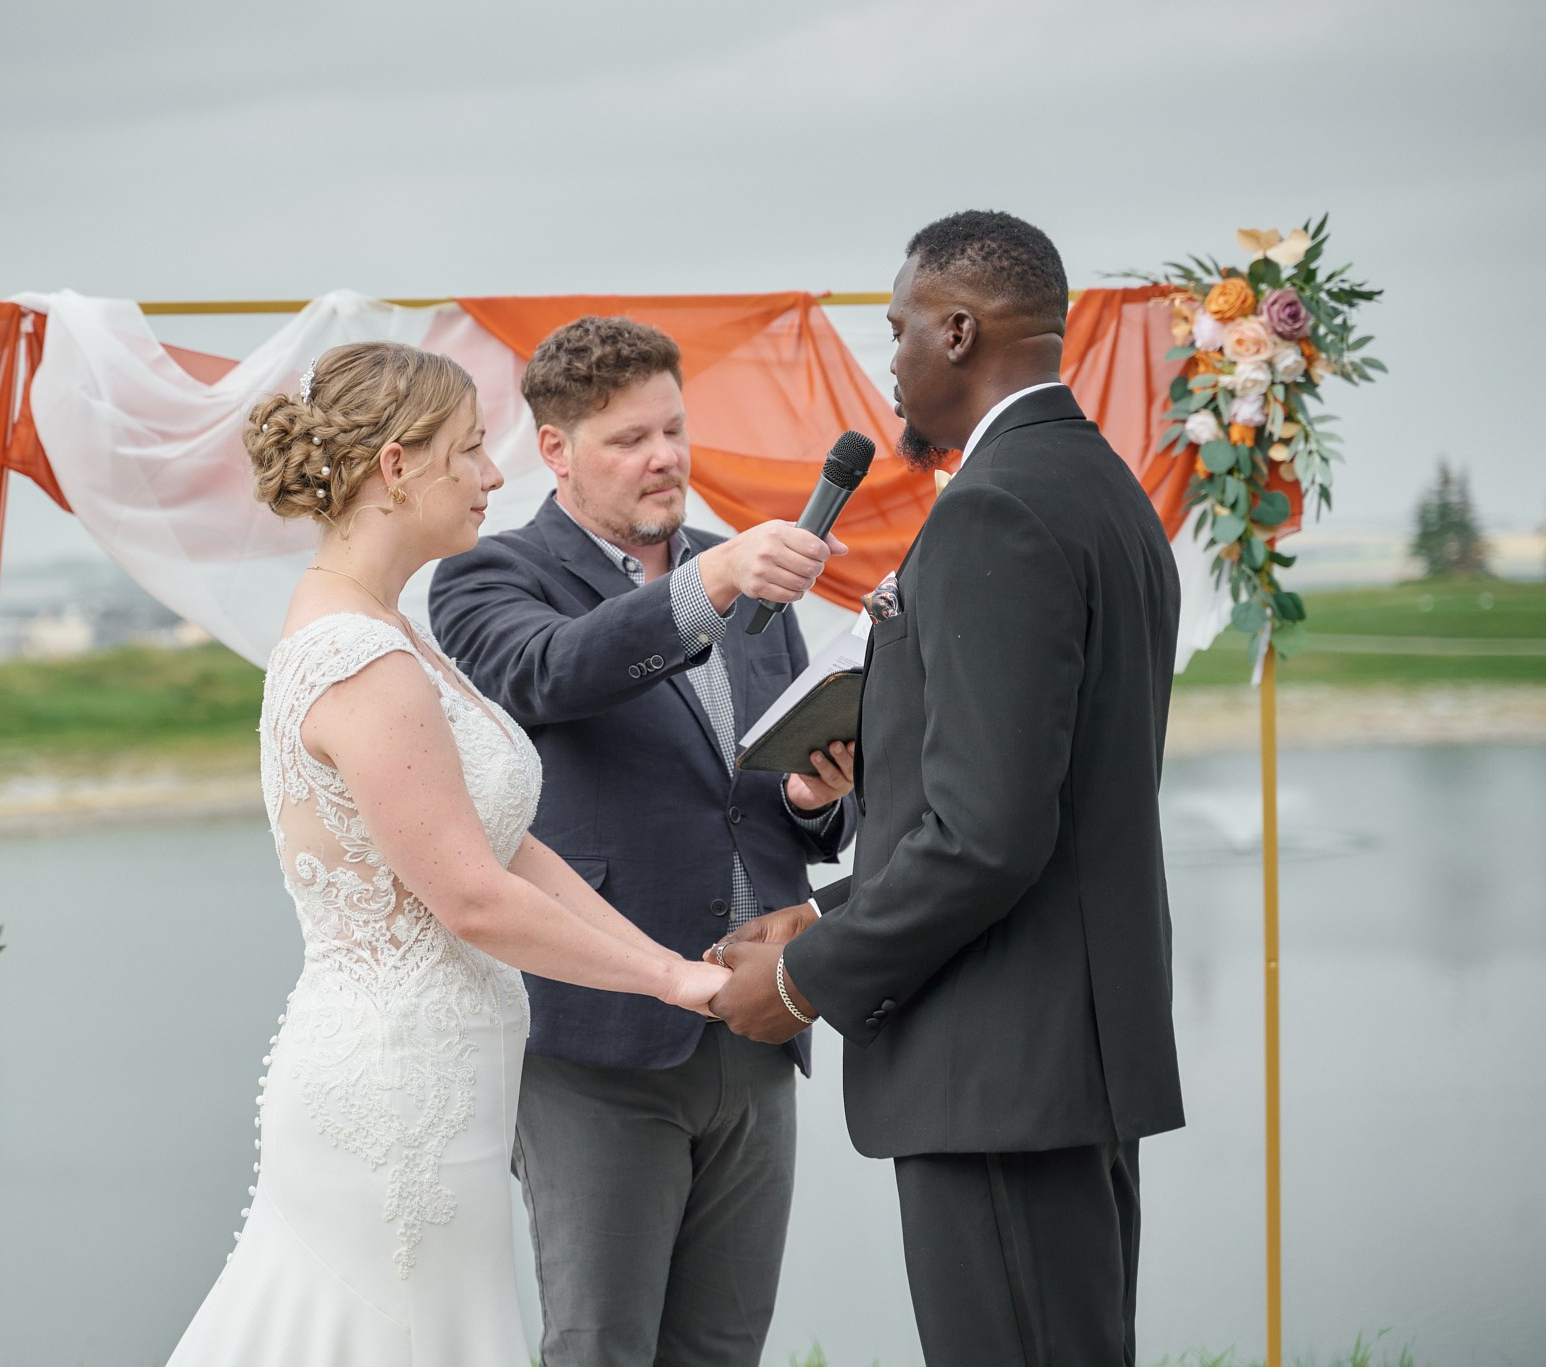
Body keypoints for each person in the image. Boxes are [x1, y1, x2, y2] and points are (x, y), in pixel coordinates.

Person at [162, 341, 729, 1366]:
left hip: (445, 1078)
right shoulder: (358, 656)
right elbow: (468, 896)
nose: (492, 474)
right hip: (394, 1092)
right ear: (395, 467)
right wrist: (663, 973)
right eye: (469, 450)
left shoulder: (390, 627)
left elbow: (504, 848)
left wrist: (672, 974)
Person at [708, 210, 1186, 1367]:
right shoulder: (1101, 488)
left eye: (899, 328)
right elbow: (1033, 793)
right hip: (1068, 1053)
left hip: (996, 1065)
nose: (891, 358)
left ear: (960, 328)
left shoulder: (992, 508)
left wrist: (807, 978)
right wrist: (825, 903)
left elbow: (988, 835)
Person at [429, 316, 857, 1367]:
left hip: (759, 1016)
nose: (663, 455)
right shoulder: (486, 577)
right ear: (558, 450)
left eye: (672, 427)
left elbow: (761, 792)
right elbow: (549, 673)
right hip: (597, 1038)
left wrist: (814, 796)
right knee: (600, 1344)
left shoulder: (742, 567)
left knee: (722, 1345)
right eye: (627, 439)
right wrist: (710, 585)